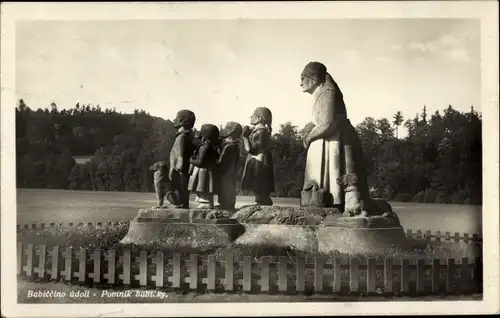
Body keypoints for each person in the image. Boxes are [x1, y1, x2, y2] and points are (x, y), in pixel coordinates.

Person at [300, 61, 369, 208]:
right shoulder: (323, 92)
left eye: (302, 78)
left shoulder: (327, 92)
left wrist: (309, 137)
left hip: (334, 142)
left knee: (335, 183)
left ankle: (336, 202)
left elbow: (327, 124)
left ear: (314, 79)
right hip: (330, 141)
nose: (300, 83)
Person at [241, 107, 275, 206]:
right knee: (257, 182)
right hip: (258, 159)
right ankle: (261, 200)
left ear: (259, 118)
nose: (251, 117)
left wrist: (245, 137)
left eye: (253, 115)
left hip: (259, 160)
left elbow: (251, 149)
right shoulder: (260, 131)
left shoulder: (261, 132)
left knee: (259, 181)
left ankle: (262, 200)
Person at [168, 109, 196, 208]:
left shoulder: (182, 137)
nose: (173, 119)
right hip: (181, 168)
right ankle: (182, 203)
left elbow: (181, 154)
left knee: (179, 186)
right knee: (181, 186)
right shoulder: (186, 136)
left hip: (179, 169)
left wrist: (178, 165)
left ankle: (180, 203)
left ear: (183, 121)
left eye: (176, 118)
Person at [188, 124, 220, 209]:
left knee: (203, 187)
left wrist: (191, 160)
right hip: (210, 170)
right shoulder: (212, 147)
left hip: (203, 170)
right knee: (206, 187)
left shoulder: (204, 146)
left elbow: (199, 162)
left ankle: (205, 203)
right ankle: (209, 202)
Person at [216, 121, 243, 210]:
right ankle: (228, 203)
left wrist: (219, 166)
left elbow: (223, 160)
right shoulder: (234, 145)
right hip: (231, 170)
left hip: (226, 171)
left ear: (230, 131)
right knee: (229, 187)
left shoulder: (230, 146)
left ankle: (226, 204)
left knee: (226, 187)